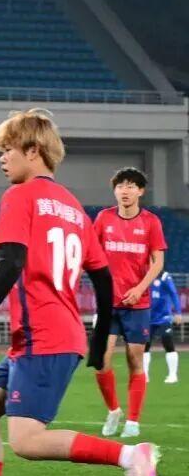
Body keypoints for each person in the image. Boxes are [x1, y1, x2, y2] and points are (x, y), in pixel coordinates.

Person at [0, 109, 159, 476]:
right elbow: (103, 277)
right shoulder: (74, 207)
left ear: (33, 150)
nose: (1, 159)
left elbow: (11, 262)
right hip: (51, 332)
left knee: (26, 440)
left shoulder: (20, 196)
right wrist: (98, 339)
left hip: (43, 333)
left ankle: (131, 456)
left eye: (7, 150)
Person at [92, 167, 166, 438]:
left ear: (140, 191)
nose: (125, 190)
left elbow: (158, 261)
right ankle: (114, 411)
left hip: (138, 304)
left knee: (135, 360)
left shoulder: (151, 222)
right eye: (121, 186)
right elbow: (91, 252)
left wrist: (140, 288)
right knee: (101, 361)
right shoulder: (103, 218)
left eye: (131, 186)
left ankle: (133, 420)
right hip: (107, 304)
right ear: (115, 191)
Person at [144, 271, 181, 384]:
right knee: (145, 345)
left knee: (167, 339)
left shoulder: (165, 277)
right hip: (148, 317)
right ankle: (144, 375)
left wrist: (178, 312)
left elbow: (173, 294)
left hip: (164, 317)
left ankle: (173, 375)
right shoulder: (145, 274)